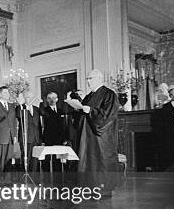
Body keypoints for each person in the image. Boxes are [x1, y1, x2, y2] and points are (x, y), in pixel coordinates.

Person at [66, 69, 119, 197]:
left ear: (99, 79)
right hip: (88, 136)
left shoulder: (109, 94)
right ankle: (90, 188)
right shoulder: (89, 96)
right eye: (88, 79)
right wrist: (76, 107)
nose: (88, 81)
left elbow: (108, 115)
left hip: (101, 137)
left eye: (90, 78)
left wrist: (90, 110)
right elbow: (82, 114)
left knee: (101, 162)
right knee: (88, 162)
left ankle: (104, 190)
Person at [40, 91, 67, 171]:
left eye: (54, 98)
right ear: (47, 100)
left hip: (60, 139)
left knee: (59, 160)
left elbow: (64, 126)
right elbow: (42, 126)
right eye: (49, 98)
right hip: (49, 139)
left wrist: (65, 138)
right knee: (48, 160)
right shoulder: (44, 111)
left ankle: (59, 178)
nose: (52, 100)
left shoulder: (61, 111)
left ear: (57, 99)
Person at [16, 91, 41, 172]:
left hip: (36, 138)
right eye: (28, 97)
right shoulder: (19, 108)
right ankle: (26, 176)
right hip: (25, 137)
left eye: (32, 97)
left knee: (35, 159)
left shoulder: (36, 109)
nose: (30, 99)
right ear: (24, 98)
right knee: (26, 158)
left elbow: (38, 125)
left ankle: (34, 176)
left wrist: (40, 138)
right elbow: (18, 115)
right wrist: (21, 105)